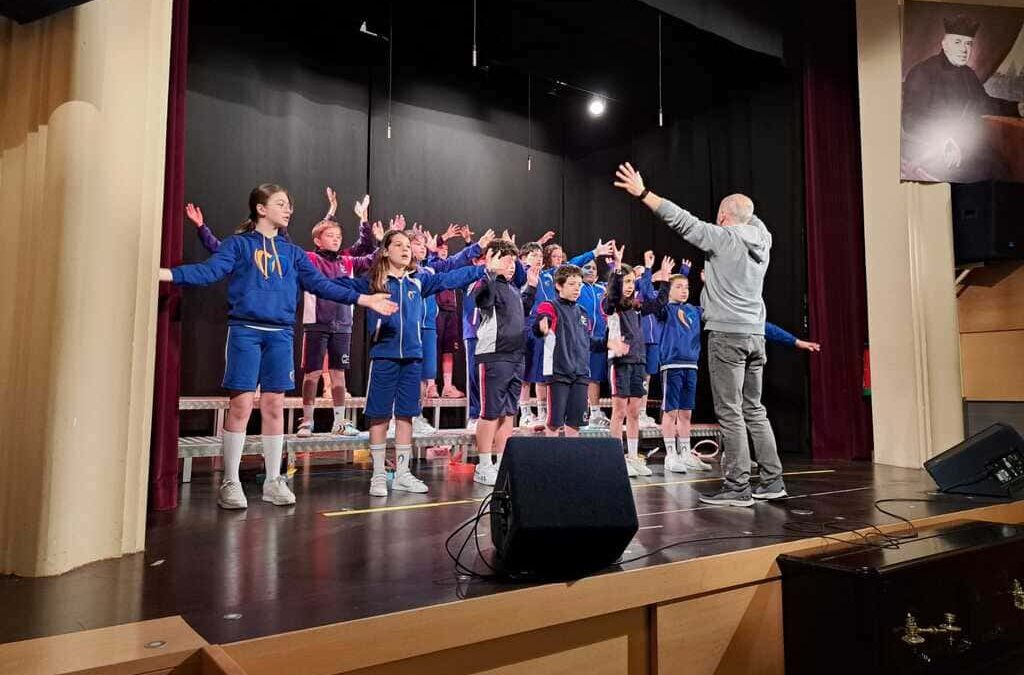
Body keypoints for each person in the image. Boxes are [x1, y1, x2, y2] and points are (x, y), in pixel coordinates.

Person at [158, 183, 397, 509]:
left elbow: (322, 285)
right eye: (281, 204)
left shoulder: (293, 253)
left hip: (280, 335)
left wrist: (364, 298)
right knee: (240, 406)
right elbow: (209, 271)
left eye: (289, 205)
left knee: (274, 406)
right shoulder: (239, 245)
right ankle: (230, 481)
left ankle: (273, 479)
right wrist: (166, 274)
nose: (288, 210)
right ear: (260, 208)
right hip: (245, 331)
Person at [614, 161, 784, 506]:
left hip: (729, 336)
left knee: (731, 411)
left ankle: (738, 488)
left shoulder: (723, 237)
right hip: (756, 336)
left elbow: (683, 221)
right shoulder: (764, 239)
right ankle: (772, 480)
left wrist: (644, 193)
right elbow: (749, 217)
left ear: (723, 217)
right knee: (755, 408)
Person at [346, 230, 486, 497]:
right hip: (384, 357)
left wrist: (480, 270)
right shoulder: (373, 281)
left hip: (412, 358)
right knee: (379, 416)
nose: (405, 249)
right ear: (385, 251)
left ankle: (402, 473)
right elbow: (340, 287)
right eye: (398, 244)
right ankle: (377, 475)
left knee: (406, 415)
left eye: (408, 245)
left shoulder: (418, 281)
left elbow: (450, 278)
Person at [902, 12, 1024, 182]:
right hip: (928, 146)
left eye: (968, 43)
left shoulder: (968, 74)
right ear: (944, 44)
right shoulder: (922, 72)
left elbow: (984, 102)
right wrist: (944, 139)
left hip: (963, 145)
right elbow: (910, 117)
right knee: (982, 174)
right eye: (957, 42)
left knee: (1000, 166)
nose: (964, 49)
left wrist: (1016, 107)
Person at [296, 192, 379, 438]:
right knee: (311, 373)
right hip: (316, 324)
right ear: (318, 241)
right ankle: (307, 420)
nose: (335, 239)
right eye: (329, 236)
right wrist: (330, 212)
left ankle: (340, 422)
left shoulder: (347, 262)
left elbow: (371, 253)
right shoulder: (309, 259)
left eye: (338, 236)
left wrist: (373, 229)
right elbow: (316, 230)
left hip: (342, 325)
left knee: (338, 373)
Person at [602, 244, 667, 477]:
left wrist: (663, 279)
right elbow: (612, 295)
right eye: (625, 282)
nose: (629, 286)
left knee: (634, 412)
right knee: (619, 411)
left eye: (631, 282)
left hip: (638, 361)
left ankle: (632, 456)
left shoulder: (637, 306)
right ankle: (615, 458)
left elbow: (659, 304)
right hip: (620, 363)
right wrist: (617, 268)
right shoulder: (612, 304)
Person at [470, 240, 527, 486]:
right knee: (490, 412)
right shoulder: (485, 282)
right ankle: (483, 466)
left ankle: (503, 464)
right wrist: (491, 272)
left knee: (508, 413)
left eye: (513, 260)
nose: (511, 265)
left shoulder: (513, 288)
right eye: (506, 259)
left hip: (516, 357)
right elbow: (481, 301)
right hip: (494, 355)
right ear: (492, 258)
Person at [534, 264, 591, 437]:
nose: (577, 289)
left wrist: (609, 343)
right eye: (572, 284)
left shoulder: (582, 311)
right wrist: (542, 326)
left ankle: (570, 460)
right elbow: (542, 321)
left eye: (579, 284)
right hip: (558, 372)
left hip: (580, 373)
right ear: (559, 286)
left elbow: (587, 340)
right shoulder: (550, 305)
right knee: (554, 422)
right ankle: (552, 460)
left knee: (575, 422)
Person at [578, 259, 611, 428]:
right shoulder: (577, 288)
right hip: (582, 339)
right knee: (586, 377)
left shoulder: (602, 289)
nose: (590, 270)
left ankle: (595, 412)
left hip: (601, 340)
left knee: (596, 377)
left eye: (593, 268)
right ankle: (585, 412)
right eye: (587, 267)